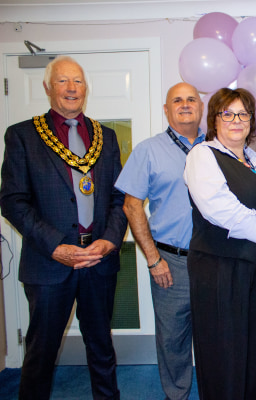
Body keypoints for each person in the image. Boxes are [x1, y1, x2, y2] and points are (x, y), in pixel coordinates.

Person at [0, 55, 127, 399]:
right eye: (62, 81)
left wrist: (109, 241)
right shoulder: (23, 136)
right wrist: (56, 246)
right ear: (47, 87)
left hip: (99, 260)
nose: (72, 88)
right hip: (49, 262)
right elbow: (13, 200)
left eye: (78, 81)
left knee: (102, 347)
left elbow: (119, 199)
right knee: (41, 353)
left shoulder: (107, 136)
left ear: (86, 88)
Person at [183, 87, 256, 400]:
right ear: (214, 120)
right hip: (220, 267)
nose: (236, 120)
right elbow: (218, 207)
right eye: (227, 113)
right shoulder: (202, 155)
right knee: (224, 350)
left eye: (243, 114)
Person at [114, 82, 203, 400]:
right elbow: (131, 205)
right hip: (171, 261)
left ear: (201, 107)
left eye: (191, 99)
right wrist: (153, 259)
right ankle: (176, 394)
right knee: (173, 339)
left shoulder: (218, 148)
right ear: (166, 110)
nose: (185, 104)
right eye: (177, 100)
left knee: (216, 334)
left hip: (216, 259)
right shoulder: (148, 150)